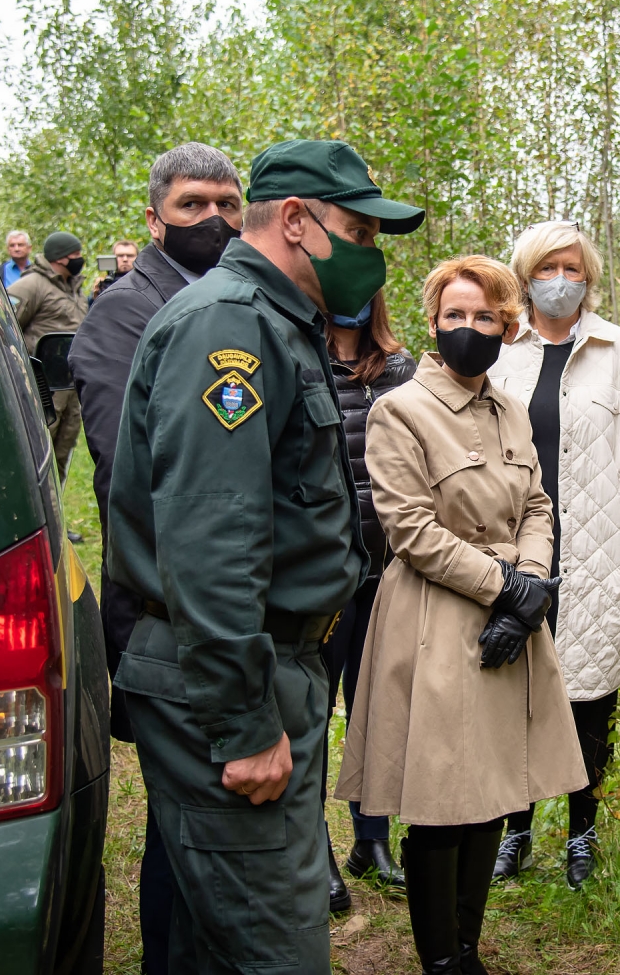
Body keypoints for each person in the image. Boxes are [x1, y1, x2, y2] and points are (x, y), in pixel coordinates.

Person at [106, 139, 425, 975]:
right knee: (274, 948)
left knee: (209, 945)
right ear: (296, 220)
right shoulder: (230, 327)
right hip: (232, 678)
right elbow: (212, 538)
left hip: (268, 664)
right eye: (359, 231)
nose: (371, 255)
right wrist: (246, 723)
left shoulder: (274, 321)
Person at [334, 255, 587, 975]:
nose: (467, 328)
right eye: (454, 316)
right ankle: (441, 959)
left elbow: (537, 505)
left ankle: (469, 948)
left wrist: (532, 584)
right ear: (434, 323)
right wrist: (510, 590)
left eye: (482, 317)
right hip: (435, 622)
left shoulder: (508, 407)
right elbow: (410, 531)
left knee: (491, 790)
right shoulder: (400, 410)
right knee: (444, 797)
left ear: (506, 326)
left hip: (510, 620)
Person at [68, 142, 244, 974]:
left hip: (236, 607)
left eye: (225, 203)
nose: (213, 219)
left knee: (224, 824)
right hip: (164, 613)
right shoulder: (124, 313)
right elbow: (131, 467)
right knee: (183, 831)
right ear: (153, 221)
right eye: (191, 206)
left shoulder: (243, 303)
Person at [486, 221, 620, 889]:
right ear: (526, 274)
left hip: (598, 548)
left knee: (589, 698)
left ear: (588, 276)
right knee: (514, 691)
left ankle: (582, 832)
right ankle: (516, 829)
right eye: (546, 268)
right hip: (515, 549)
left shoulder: (617, 349)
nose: (559, 280)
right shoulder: (501, 347)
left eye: (572, 268)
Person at [321, 288, 415, 911]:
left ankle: (370, 840)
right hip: (322, 572)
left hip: (388, 568)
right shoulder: (298, 357)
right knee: (311, 708)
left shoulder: (402, 369)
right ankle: (312, 849)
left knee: (376, 708)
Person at [8, 230, 87, 481]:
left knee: (62, 453)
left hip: (70, 384)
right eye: (75, 255)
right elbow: (3, 326)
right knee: (41, 453)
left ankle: (57, 509)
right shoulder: (31, 285)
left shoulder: (73, 287)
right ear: (60, 257)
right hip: (45, 388)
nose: (80, 259)